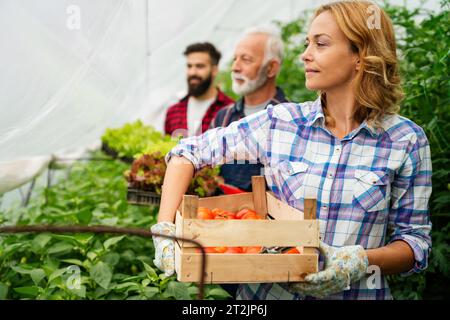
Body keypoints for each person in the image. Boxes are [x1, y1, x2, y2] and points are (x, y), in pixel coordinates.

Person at [152, 0, 432, 300]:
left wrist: (359, 262)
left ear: (361, 57)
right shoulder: (280, 123)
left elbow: (414, 242)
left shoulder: (405, 140)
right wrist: (166, 231)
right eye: (307, 43)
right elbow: (187, 153)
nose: (305, 55)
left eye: (320, 44)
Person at [211, 27, 289, 192]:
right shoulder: (223, 116)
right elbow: (210, 168)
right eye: (235, 59)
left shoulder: (290, 120)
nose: (235, 67)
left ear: (271, 68)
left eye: (246, 60)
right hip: (224, 214)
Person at [164, 42, 234, 137]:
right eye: (189, 66)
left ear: (214, 70)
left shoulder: (230, 110)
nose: (193, 72)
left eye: (199, 66)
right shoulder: (173, 112)